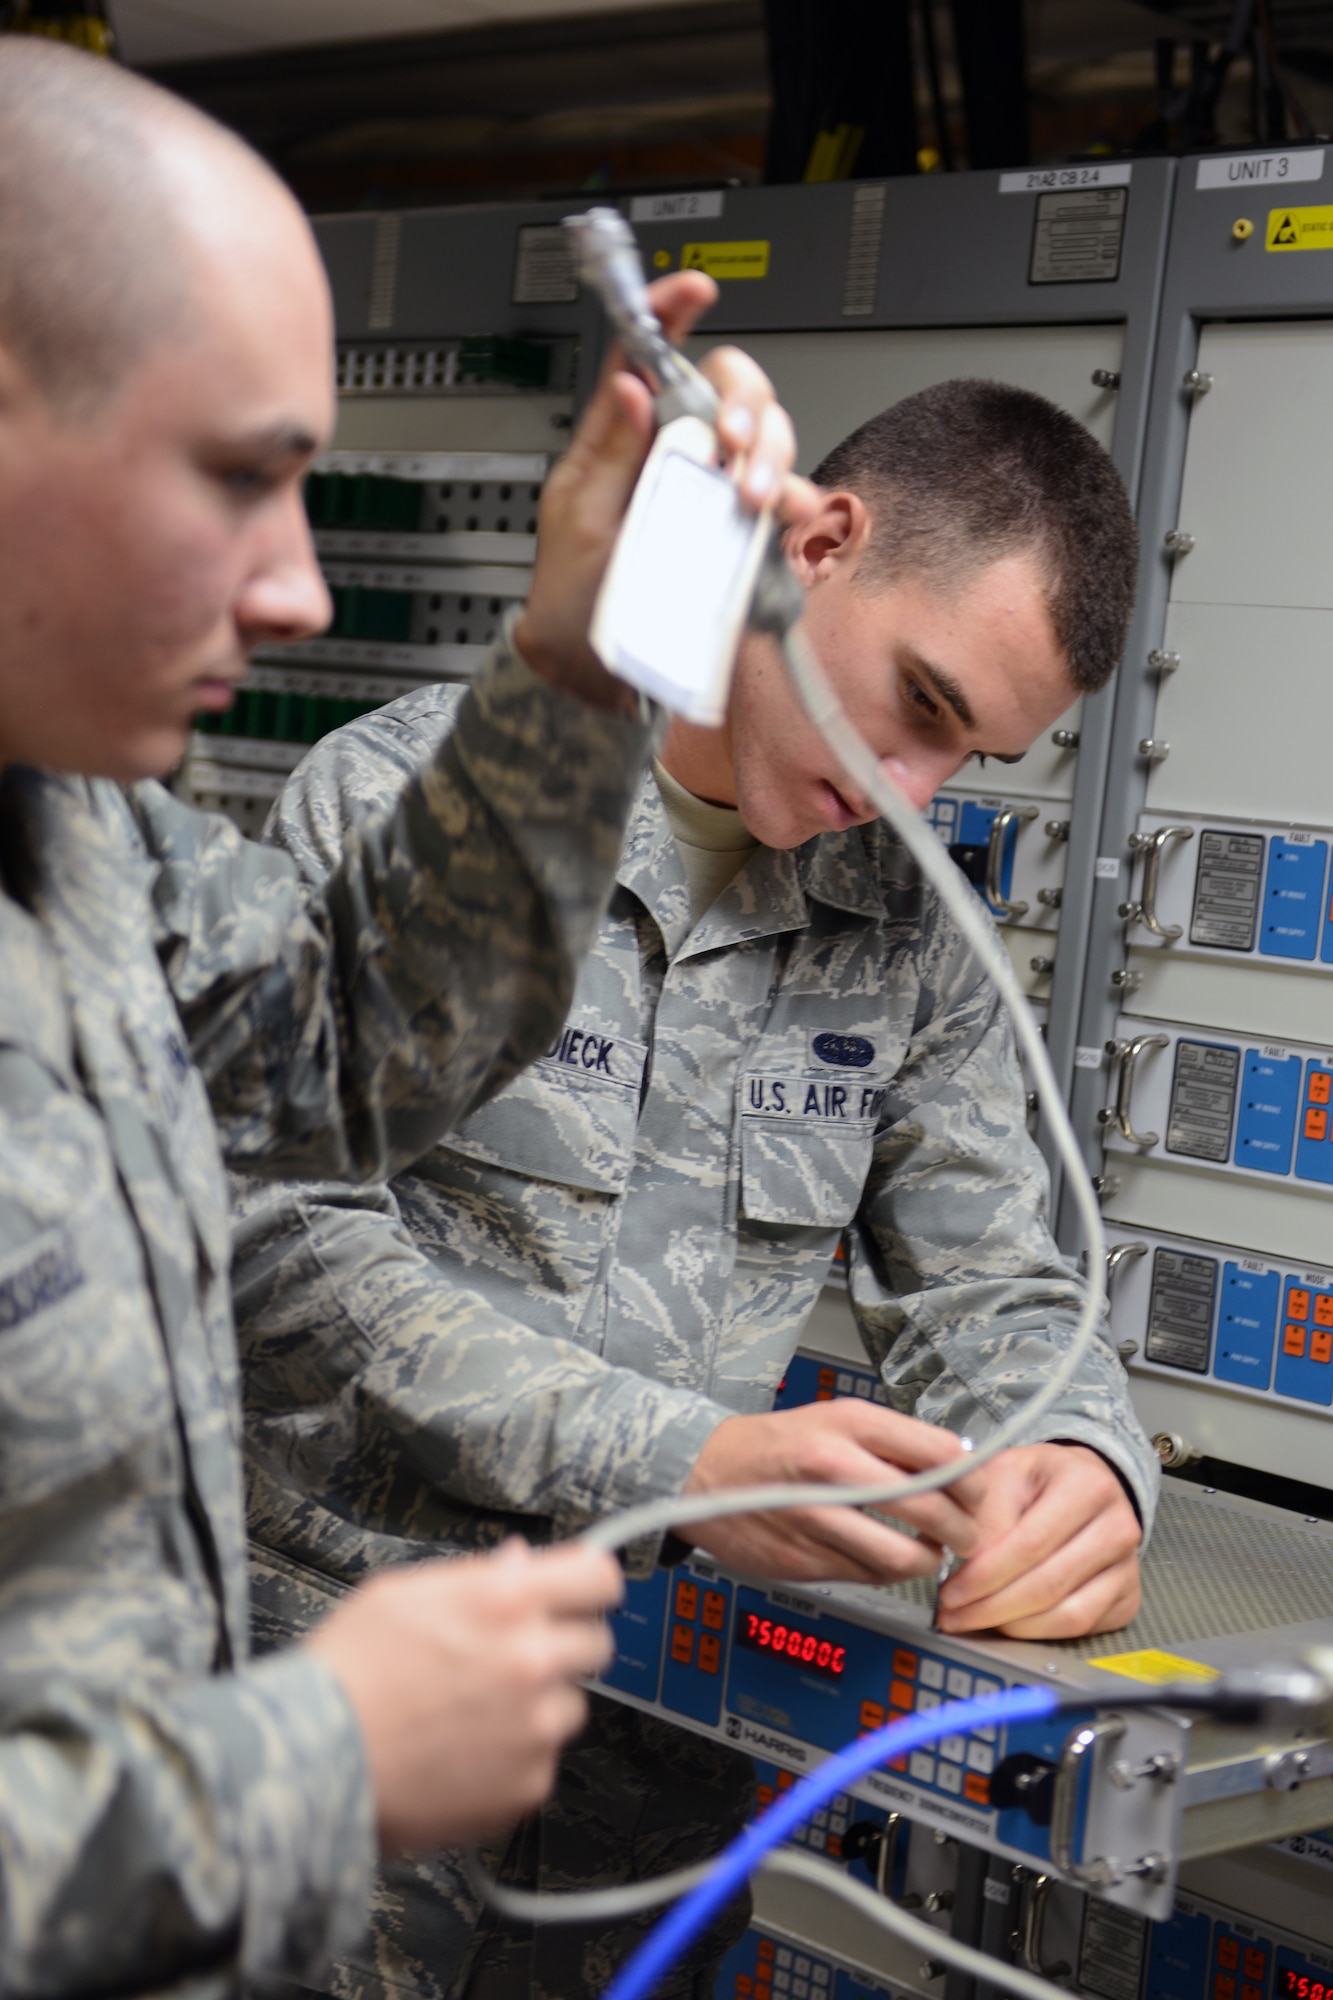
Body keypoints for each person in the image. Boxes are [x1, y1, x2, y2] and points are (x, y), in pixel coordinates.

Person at [0, 38, 811, 1998]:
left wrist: (587, 651)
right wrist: (308, 1760)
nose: (294, 584)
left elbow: (347, 1042)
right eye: (237, 475)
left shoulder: (74, 825)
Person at [234, 377, 1157, 2000]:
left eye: (971, 754)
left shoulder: (909, 928)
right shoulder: (407, 806)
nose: (912, 791)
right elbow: (282, 1242)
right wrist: (691, 1457)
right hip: (331, 1744)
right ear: (814, 546)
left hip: (647, 1804)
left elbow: (988, 1274)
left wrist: (1077, 1453)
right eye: (917, 701)